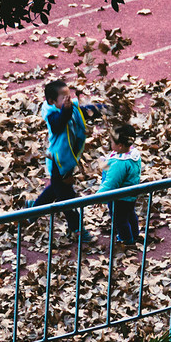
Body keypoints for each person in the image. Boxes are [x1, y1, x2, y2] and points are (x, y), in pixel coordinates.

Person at [30, 79, 103, 243]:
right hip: (58, 162)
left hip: (68, 161)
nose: (68, 99)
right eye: (64, 97)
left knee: (56, 190)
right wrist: (67, 110)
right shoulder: (53, 115)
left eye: (69, 95)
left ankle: (33, 210)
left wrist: (103, 110)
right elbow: (59, 124)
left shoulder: (70, 107)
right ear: (52, 101)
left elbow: (85, 111)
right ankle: (77, 229)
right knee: (66, 198)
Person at [98, 122, 142, 245]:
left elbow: (111, 183)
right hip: (130, 195)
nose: (109, 144)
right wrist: (106, 163)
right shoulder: (132, 154)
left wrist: (97, 197)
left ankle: (126, 239)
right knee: (130, 214)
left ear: (120, 145)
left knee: (120, 220)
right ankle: (134, 234)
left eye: (112, 142)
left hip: (119, 198)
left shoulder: (119, 164)